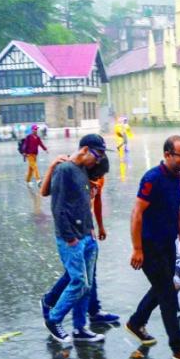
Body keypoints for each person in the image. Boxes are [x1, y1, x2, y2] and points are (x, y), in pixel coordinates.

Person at [126, 135, 180, 359]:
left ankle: (136, 321)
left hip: (168, 243)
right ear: (167, 154)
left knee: (164, 288)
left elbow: (176, 209)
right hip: (149, 247)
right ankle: (178, 346)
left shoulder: (177, 177)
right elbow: (137, 213)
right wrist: (137, 248)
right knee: (168, 294)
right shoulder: (153, 178)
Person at [43, 134, 109, 343]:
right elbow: (58, 207)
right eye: (97, 154)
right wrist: (70, 237)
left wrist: (91, 228)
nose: (98, 160)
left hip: (86, 235)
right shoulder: (65, 170)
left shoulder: (82, 170)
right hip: (71, 238)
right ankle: (54, 319)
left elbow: (81, 203)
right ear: (85, 149)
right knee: (78, 281)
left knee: (87, 285)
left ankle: (80, 328)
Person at [40, 156, 120, 325]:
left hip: (85, 229)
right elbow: (46, 194)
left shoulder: (98, 177)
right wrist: (52, 166)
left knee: (88, 276)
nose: (97, 181)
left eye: (99, 177)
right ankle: (51, 302)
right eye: (94, 177)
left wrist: (98, 226)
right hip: (71, 232)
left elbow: (96, 202)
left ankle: (92, 311)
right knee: (77, 277)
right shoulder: (69, 172)